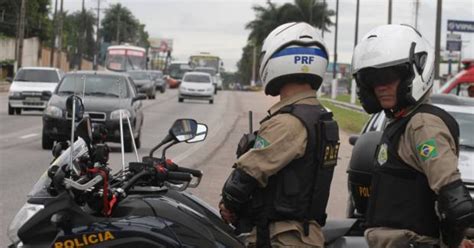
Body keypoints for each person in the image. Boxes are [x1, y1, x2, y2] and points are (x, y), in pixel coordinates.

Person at [351, 24, 474, 248]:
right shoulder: (400, 121)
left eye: (389, 76)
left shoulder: (422, 124)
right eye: (373, 79)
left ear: (415, 71)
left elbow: (455, 200)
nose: (381, 86)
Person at [219, 22, 340, 248]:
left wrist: (228, 204)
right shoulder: (319, 116)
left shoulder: (288, 122)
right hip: (301, 234)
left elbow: (246, 175)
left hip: (280, 238)